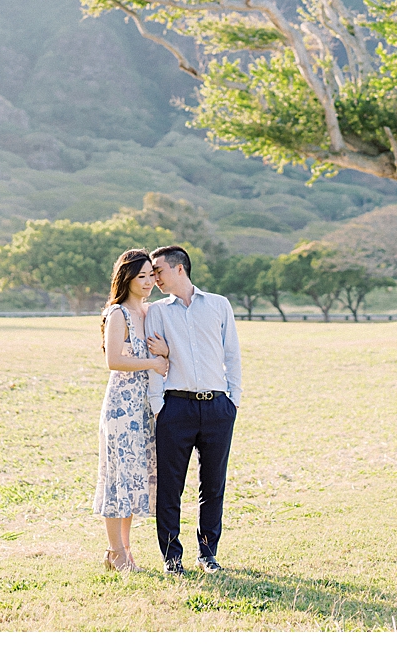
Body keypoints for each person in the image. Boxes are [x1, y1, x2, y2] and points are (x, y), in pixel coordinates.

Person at [144, 244, 242, 575]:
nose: (154, 277)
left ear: (179, 269)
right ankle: (172, 557)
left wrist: (234, 400)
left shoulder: (218, 305)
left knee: (213, 484)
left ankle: (207, 553)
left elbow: (232, 354)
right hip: (175, 408)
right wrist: (159, 406)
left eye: (158, 270)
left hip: (217, 407)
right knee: (170, 485)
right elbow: (155, 362)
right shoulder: (157, 311)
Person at [92, 248, 170, 571]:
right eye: (141, 276)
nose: (149, 281)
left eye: (151, 275)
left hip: (143, 408)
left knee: (133, 479)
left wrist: (164, 351)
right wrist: (153, 361)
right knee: (117, 479)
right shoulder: (118, 314)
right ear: (127, 279)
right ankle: (116, 552)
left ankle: (124, 549)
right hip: (121, 408)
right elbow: (113, 360)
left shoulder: (149, 312)